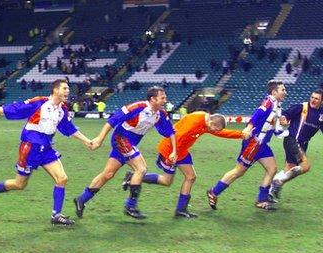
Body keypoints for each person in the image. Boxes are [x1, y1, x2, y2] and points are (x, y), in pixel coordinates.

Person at [0, 79, 94, 226]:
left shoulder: (63, 109)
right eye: (65, 88)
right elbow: (16, 108)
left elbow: (69, 128)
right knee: (19, 184)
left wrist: (87, 141)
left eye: (68, 89)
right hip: (30, 147)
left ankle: (56, 216)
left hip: (46, 148)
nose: (68, 91)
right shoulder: (40, 102)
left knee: (62, 178)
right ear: (55, 90)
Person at [74, 86, 176, 219]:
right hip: (121, 139)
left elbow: (170, 131)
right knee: (141, 169)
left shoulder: (160, 114)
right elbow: (112, 121)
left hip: (129, 143)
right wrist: (100, 139)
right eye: (162, 98)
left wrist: (174, 151)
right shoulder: (137, 107)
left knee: (108, 174)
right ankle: (130, 206)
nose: (165, 100)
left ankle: (81, 199)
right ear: (153, 99)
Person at [124, 112, 247, 218]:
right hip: (170, 151)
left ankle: (181, 210)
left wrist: (240, 135)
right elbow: (177, 137)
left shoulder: (208, 123)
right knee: (166, 181)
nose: (214, 131)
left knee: (191, 177)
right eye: (215, 128)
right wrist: (172, 154)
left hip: (181, 152)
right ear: (211, 122)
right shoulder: (195, 121)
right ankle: (133, 178)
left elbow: (220, 132)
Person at [207, 80, 287, 211]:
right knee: (239, 171)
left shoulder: (276, 105)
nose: (285, 92)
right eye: (282, 90)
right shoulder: (268, 102)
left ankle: (261, 200)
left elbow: (271, 122)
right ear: (274, 92)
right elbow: (258, 114)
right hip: (253, 143)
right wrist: (249, 128)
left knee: (272, 169)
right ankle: (214, 192)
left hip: (262, 144)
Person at [269, 88, 323, 200]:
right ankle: (278, 183)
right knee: (305, 166)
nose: (313, 100)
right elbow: (286, 114)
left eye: (316, 99)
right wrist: (284, 119)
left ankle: (270, 191)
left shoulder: (321, 114)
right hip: (292, 140)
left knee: (289, 168)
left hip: (303, 144)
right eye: (312, 97)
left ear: (321, 101)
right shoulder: (301, 107)